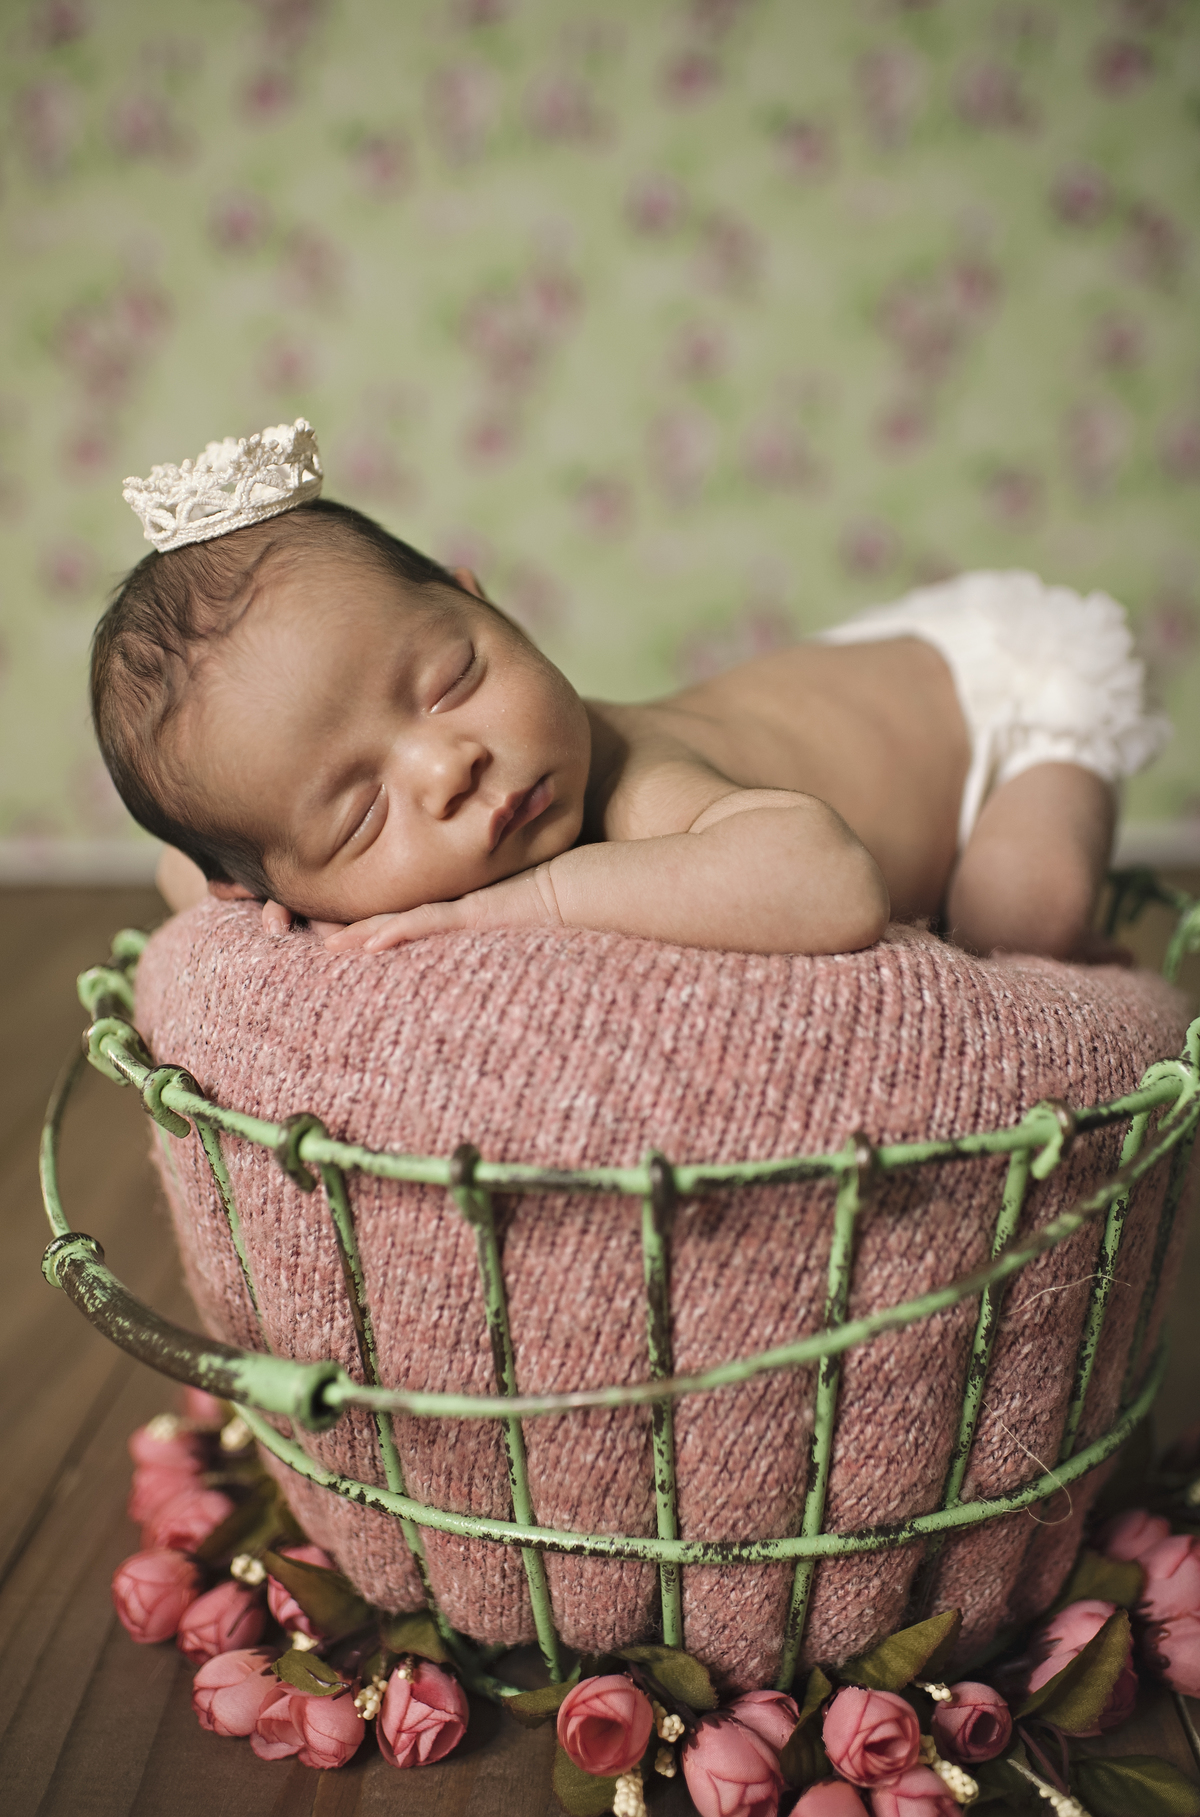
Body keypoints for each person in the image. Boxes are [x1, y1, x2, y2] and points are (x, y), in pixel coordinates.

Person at [94, 430, 1169, 965]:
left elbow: (832, 883)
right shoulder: (278, 859)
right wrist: (246, 888)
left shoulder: (639, 790)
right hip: (856, 686)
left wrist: (512, 906)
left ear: (487, 604)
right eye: (359, 813)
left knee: (1020, 914)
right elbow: (190, 863)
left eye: (453, 679)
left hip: (988, 695)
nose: (449, 762)